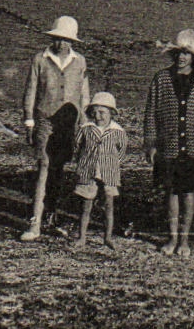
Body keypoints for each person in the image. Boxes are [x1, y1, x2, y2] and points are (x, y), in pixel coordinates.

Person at [143, 29, 194, 258]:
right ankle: (172, 237)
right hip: (169, 146)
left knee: (188, 192)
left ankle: (185, 239)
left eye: (186, 54)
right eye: (178, 53)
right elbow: (151, 112)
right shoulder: (161, 79)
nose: (182, 58)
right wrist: (151, 143)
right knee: (171, 192)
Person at [20, 15, 91, 241]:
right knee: (43, 166)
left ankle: (51, 216)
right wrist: (29, 120)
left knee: (58, 169)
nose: (62, 44)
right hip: (45, 120)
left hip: (68, 124)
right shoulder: (40, 59)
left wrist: (85, 122)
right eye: (59, 39)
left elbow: (83, 94)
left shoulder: (79, 62)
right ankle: (35, 222)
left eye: (67, 40)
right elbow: (31, 91)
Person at [72, 92, 127, 250]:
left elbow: (121, 153)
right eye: (94, 112)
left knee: (109, 206)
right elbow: (78, 147)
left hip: (109, 173)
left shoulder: (118, 132)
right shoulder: (86, 129)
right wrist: (84, 163)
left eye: (102, 112)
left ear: (111, 113)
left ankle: (108, 237)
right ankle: (82, 237)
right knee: (86, 205)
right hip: (88, 171)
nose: (98, 116)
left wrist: (111, 165)